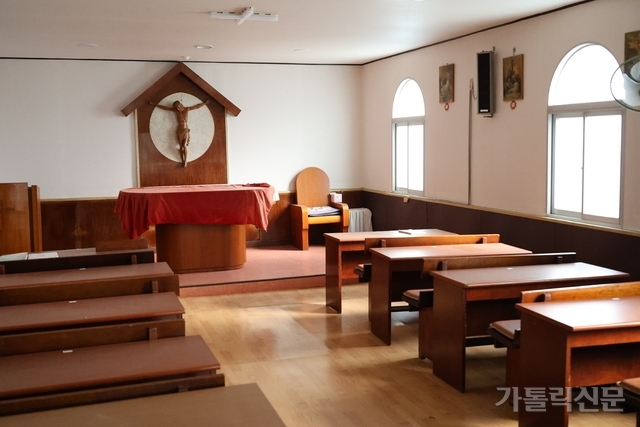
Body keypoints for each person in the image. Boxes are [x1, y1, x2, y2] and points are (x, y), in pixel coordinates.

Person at [150, 99, 209, 167]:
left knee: (184, 145)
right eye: (176, 108)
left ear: (181, 105)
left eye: (178, 107)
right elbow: (165, 108)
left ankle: (185, 161)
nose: (177, 109)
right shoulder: (176, 111)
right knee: (181, 146)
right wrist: (154, 104)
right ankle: (182, 160)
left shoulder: (187, 109)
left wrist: (205, 103)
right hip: (179, 130)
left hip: (185, 130)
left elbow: (196, 107)